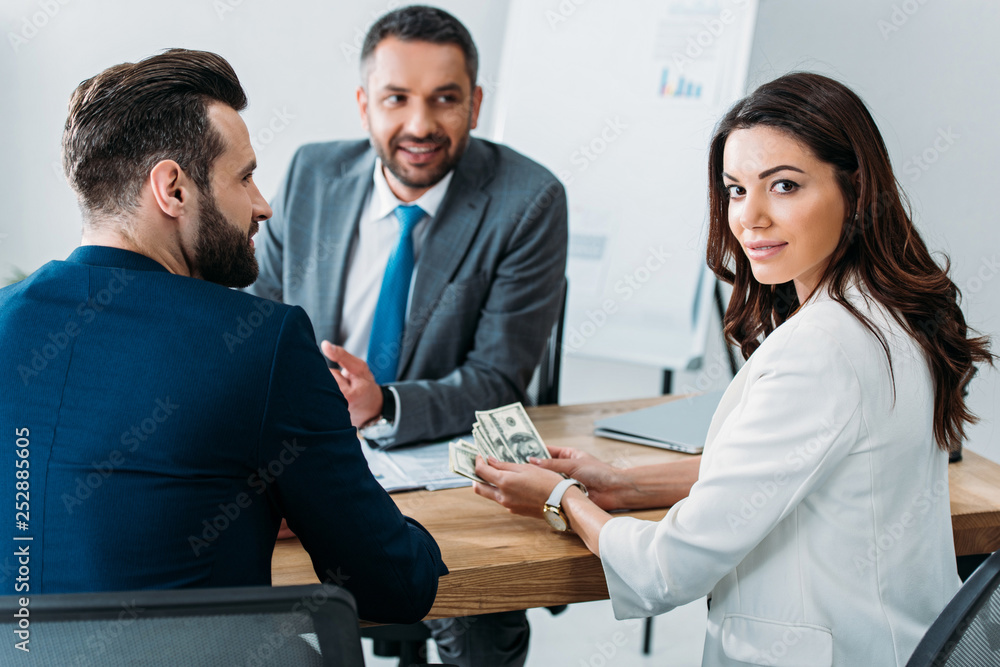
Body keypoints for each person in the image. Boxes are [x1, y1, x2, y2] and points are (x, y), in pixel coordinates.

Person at [474, 72, 994, 666]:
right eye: (736, 190)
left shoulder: (820, 350)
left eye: (784, 186)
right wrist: (623, 484)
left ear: (856, 190)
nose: (750, 217)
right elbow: (782, 470)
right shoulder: (891, 313)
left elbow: (668, 567)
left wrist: (561, 499)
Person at [0, 49, 446, 625]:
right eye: (245, 177)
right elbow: (394, 587)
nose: (263, 206)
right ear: (173, 189)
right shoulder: (263, 343)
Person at [246, 6, 567, 665]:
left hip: (441, 462)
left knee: (477, 611)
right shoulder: (310, 175)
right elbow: (256, 323)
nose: (420, 125)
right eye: (397, 98)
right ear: (365, 104)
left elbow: (498, 377)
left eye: (445, 99)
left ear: (475, 104)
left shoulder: (527, 200)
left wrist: (382, 404)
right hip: (309, 450)